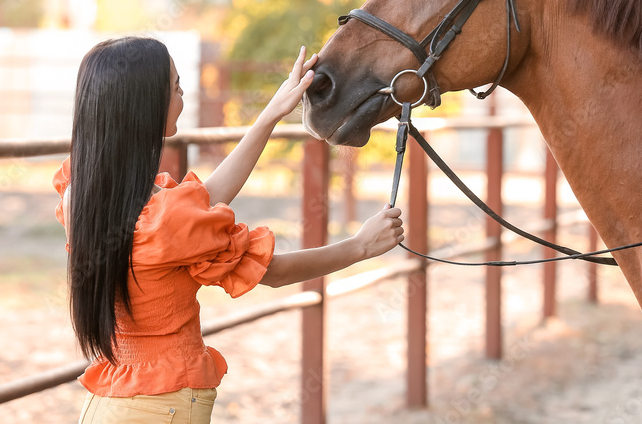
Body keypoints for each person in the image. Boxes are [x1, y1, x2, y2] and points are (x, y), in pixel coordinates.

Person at [53, 36, 403, 423]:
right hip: (161, 407)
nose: (183, 97)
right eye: (176, 87)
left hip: (112, 403)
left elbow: (202, 202)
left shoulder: (83, 194)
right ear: (145, 106)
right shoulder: (167, 218)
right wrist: (360, 247)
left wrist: (271, 113)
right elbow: (273, 272)